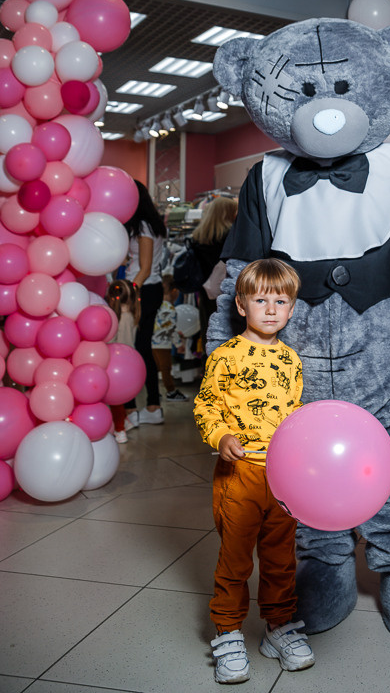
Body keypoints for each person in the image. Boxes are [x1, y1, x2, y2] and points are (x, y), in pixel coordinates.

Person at [193, 258, 315, 684]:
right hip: (239, 476)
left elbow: (296, 415)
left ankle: (278, 627)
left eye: (279, 301)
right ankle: (227, 632)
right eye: (260, 300)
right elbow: (206, 404)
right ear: (241, 305)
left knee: (282, 559)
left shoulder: (292, 361)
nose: (270, 309)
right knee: (235, 560)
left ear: (292, 309)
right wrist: (221, 436)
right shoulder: (225, 356)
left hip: (283, 479)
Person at [123, 180, 167, 426]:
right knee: (140, 347)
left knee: (132, 347)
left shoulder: (142, 227)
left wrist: (129, 293)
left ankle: (134, 409)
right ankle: (151, 406)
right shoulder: (151, 224)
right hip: (147, 289)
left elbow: (145, 267)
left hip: (142, 290)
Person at [190, 195, 238, 347]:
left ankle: (208, 367)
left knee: (208, 330)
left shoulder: (198, 237)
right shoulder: (231, 236)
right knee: (228, 333)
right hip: (226, 290)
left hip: (205, 290)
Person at [105, 278, 139, 443]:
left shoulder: (118, 318)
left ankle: (120, 430)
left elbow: (116, 343)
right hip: (128, 364)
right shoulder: (131, 314)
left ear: (112, 298)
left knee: (115, 401)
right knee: (118, 401)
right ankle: (123, 422)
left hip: (116, 363)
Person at [151, 273, 187, 401]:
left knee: (154, 369)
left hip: (152, 343)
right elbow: (171, 330)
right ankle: (171, 392)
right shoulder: (170, 309)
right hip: (163, 344)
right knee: (166, 369)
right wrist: (179, 344)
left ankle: (154, 393)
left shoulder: (155, 305)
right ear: (174, 291)